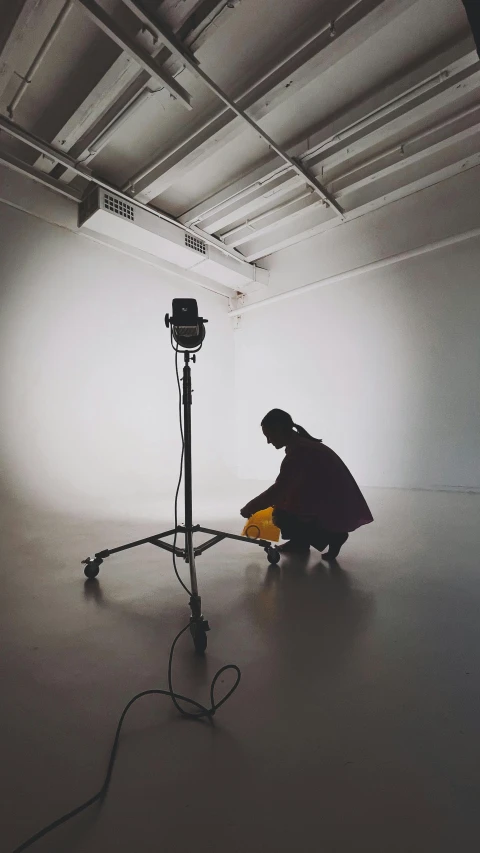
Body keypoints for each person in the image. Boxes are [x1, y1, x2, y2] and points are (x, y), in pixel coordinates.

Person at [240, 409, 373, 559]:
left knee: (281, 515)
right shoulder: (303, 446)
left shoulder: (299, 452)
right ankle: (301, 542)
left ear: (279, 430)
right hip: (332, 500)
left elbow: (279, 490)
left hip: (333, 505)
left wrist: (251, 507)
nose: (268, 441)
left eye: (269, 435)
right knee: (284, 505)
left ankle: (332, 536)